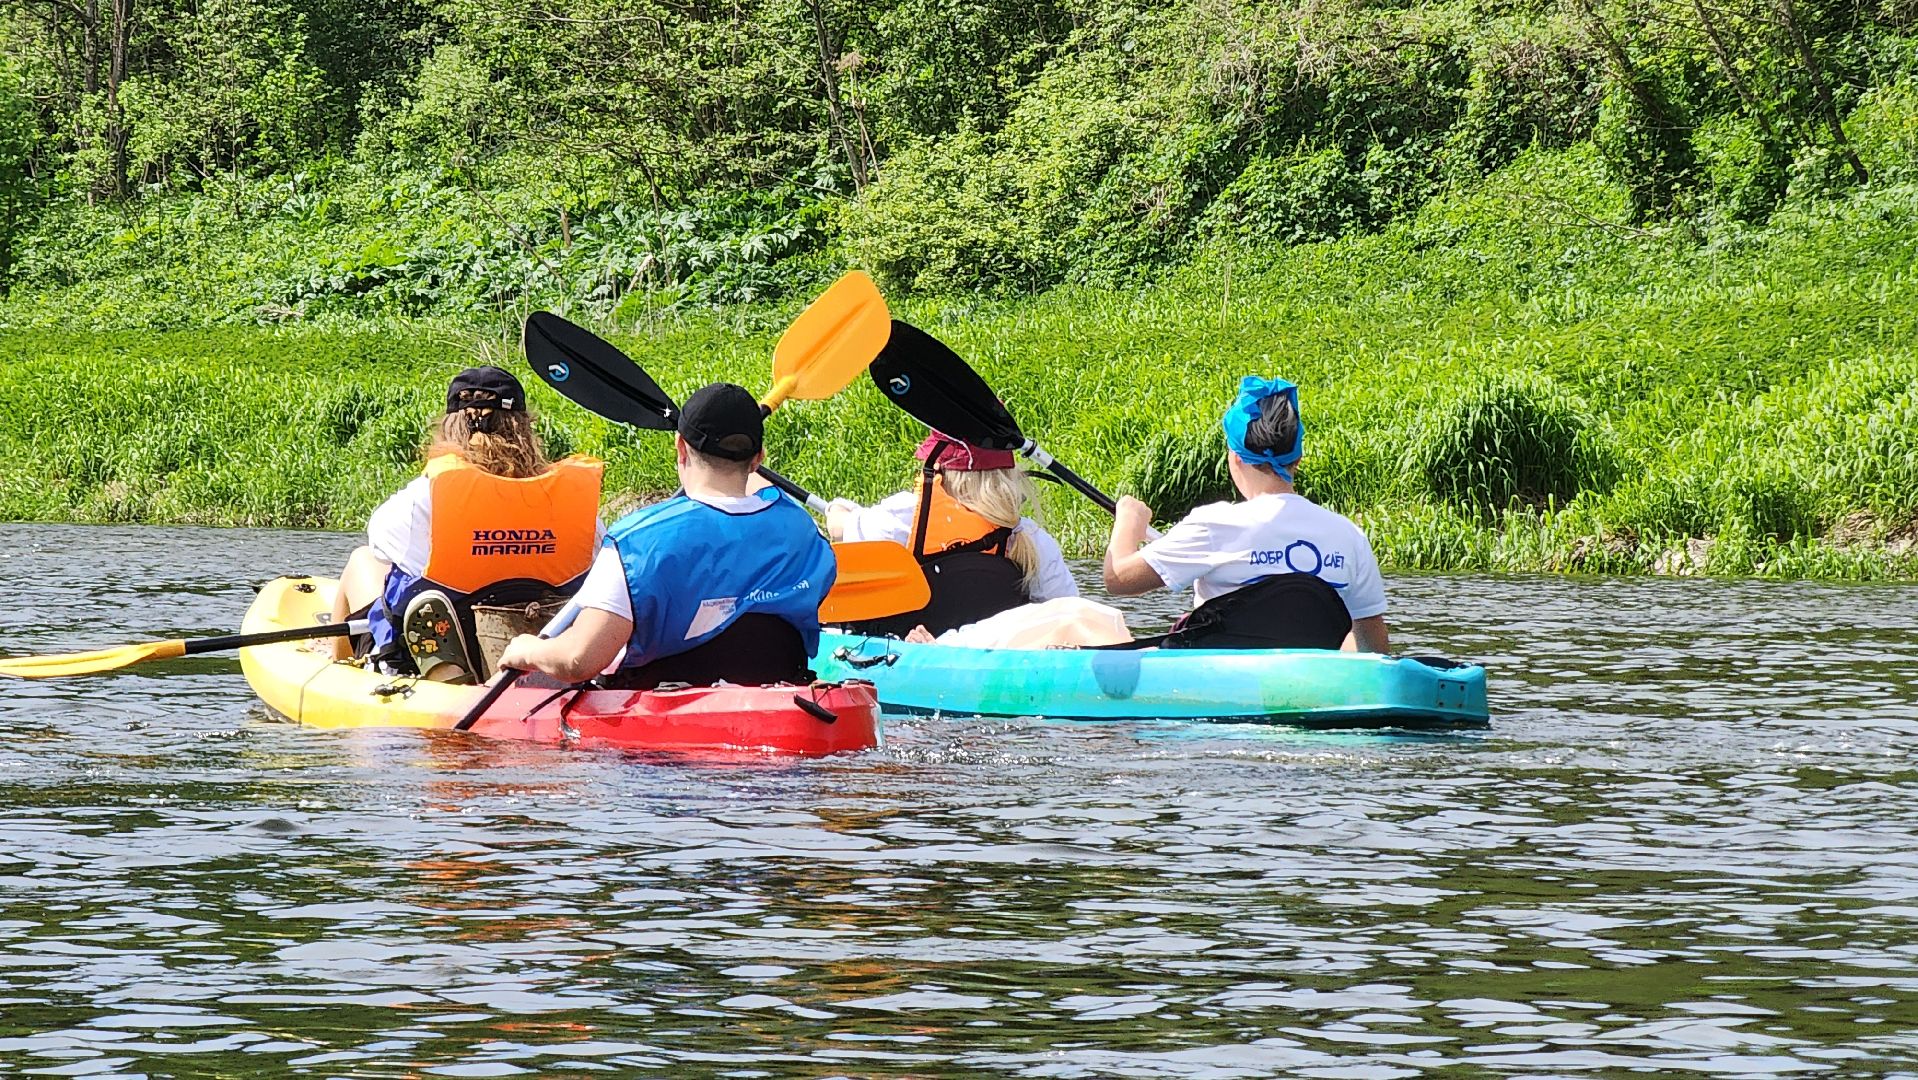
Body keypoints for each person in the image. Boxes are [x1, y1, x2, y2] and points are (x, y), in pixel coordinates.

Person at [496, 382, 835, 689]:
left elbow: (578, 660)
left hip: (667, 722)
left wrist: (528, 650)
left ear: (681, 447)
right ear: (758, 458)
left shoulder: (635, 542)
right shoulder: (802, 530)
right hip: (781, 701)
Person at [329, 366, 604, 678]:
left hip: (453, 635)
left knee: (363, 559)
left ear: (450, 426)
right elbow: (599, 567)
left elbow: (380, 542)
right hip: (545, 636)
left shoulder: (425, 495)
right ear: (526, 428)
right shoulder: (574, 501)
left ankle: (340, 672)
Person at [1102, 376, 1390, 653]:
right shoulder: (1349, 536)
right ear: (1298, 459)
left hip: (1218, 679)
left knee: (1087, 620)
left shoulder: (1215, 524)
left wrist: (1128, 520)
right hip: (1306, 679)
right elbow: (1373, 647)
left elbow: (1118, 578)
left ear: (1235, 457)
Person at [824, 430, 1076, 636]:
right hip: (993, 660)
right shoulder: (1030, 537)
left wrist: (836, 507)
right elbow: (1068, 612)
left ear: (940, 470)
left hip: (911, 654)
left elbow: (840, 528)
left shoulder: (904, 516)